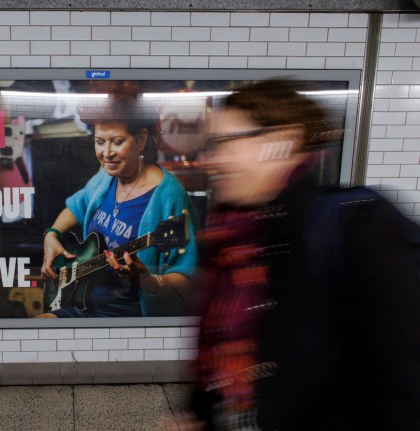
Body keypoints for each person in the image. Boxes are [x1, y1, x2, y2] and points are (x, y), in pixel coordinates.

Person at [177, 79, 420, 430]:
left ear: (282, 140)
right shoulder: (228, 242)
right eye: (210, 146)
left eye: (225, 142)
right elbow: (215, 361)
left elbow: (409, 382)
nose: (212, 160)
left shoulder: (355, 228)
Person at [37, 98, 198, 318]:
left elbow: (187, 278)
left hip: (127, 318)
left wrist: (148, 282)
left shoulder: (170, 196)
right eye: (100, 142)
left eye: (117, 141)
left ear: (141, 140)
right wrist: (52, 234)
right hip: (82, 304)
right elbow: (77, 205)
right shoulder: (106, 177)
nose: (106, 153)